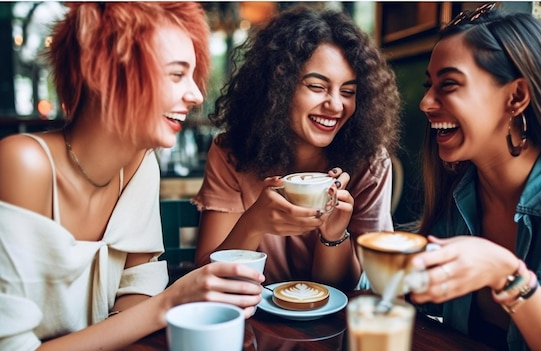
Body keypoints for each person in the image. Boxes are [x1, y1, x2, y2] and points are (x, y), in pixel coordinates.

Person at [0, 3, 264, 350]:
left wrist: (157, 305)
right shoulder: (23, 164)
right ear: (105, 72)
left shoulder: (139, 165)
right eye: (175, 74)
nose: (196, 96)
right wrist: (170, 302)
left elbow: (137, 295)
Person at [404, 3, 541, 350]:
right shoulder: (461, 190)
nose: (426, 103)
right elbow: (413, 302)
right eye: (428, 84)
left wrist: (505, 274)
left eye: (448, 84)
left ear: (516, 96)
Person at [192, 5, 401, 292]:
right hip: (253, 319)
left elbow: (365, 287)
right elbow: (206, 275)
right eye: (317, 87)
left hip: (334, 327)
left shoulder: (369, 162)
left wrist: (334, 234)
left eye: (349, 92)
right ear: (279, 85)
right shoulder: (231, 153)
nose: (336, 105)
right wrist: (254, 222)